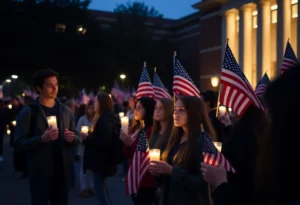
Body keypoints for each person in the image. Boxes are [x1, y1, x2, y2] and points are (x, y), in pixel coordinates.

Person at [13, 69, 79, 205]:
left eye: (56, 84)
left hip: (62, 173)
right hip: (40, 174)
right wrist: (41, 139)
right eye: (50, 85)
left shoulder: (65, 111)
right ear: (39, 87)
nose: (55, 88)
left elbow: (76, 136)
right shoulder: (29, 112)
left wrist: (73, 138)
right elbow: (18, 143)